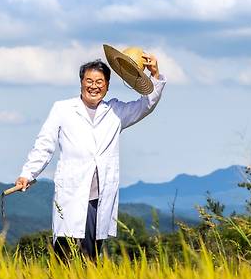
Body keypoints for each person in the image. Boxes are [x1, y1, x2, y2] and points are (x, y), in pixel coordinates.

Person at [15, 52, 166, 262]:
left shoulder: (116, 111)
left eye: (99, 82)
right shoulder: (63, 109)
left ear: (107, 85)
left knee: (91, 256)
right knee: (64, 255)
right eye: (89, 81)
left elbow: (146, 104)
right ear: (81, 83)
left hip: (99, 197)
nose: (94, 86)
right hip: (71, 193)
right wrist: (28, 174)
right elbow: (44, 145)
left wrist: (155, 76)